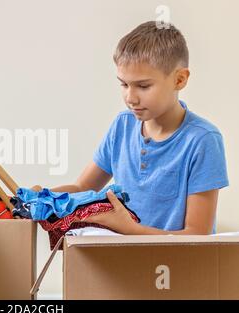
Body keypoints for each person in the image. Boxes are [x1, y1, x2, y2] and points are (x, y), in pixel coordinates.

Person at [32, 21, 228, 235]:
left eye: (143, 86)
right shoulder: (122, 125)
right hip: (123, 258)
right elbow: (83, 189)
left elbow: (196, 235)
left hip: (177, 264)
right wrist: (43, 195)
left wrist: (130, 230)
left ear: (179, 80)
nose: (130, 98)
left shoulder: (203, 140)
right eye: (124, 84)